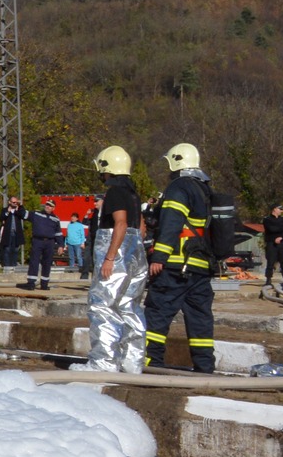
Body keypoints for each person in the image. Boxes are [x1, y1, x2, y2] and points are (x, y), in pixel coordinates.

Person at [144, 143, 218, 373]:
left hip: (176, 265)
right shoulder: (204, 188)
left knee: (157, 314)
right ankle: (205, 367)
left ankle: (151, 365)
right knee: (200, 320)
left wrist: (159, 257)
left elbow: (171, 223)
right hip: (200, 266)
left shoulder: (179, 187)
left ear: (177, 162)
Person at [86, 146, 147, 374]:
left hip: (118, 255)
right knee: (129, 307)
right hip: (135, 256)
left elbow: (120, 223)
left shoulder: (115, 193)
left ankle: (103, 363)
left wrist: (110, 258)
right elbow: (140, 228)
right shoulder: (133, 193)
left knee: (103, 306)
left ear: (106, 167)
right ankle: (132, 362)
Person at [22, 200, 63, 291]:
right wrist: (19, 205)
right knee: (34, 261)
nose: (47, 206)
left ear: (53, 208)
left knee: (47, 263)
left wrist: (61, 245)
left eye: (50, 206)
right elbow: (24, 214)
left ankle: (44, 284)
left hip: (49, 242)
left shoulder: (56, 219)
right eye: (47, 205)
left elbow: (58, 233)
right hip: (37, 241)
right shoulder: (37, 214)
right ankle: (31, 283)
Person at [260, 203, 283, 294]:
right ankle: (268, 279)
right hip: (271, 243)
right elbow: (271, 229)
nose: (282, 211)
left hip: (282, 243)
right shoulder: (267, 219)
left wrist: (281, 237)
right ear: (274, 209)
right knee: (270, 262)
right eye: (280, 209)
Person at [0, 196, 28, 272]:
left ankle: (14, 266)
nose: (15, 203)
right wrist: (8, 212)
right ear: (9, 202)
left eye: (16, 202)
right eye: (13, 202)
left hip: (16, 233)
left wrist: (19, 206)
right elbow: (1, 218)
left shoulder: (19, 209)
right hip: (8, 233)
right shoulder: (5, 210)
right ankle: (7, 266)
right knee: (7, 250)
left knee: (15, 250)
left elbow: (23, 215)